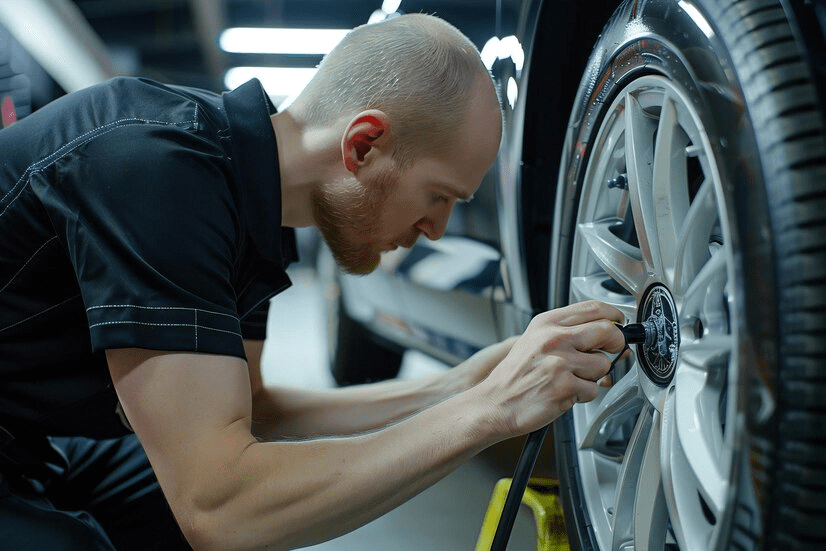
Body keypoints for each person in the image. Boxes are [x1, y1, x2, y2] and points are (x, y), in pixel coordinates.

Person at [0, 13, 627, 550]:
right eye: (438, 195)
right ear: (364, 146)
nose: (437, 230)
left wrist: (460, 384)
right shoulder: (161, 174)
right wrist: (487, 411)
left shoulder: (245, 203)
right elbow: (219, 507)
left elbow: (257, 415)